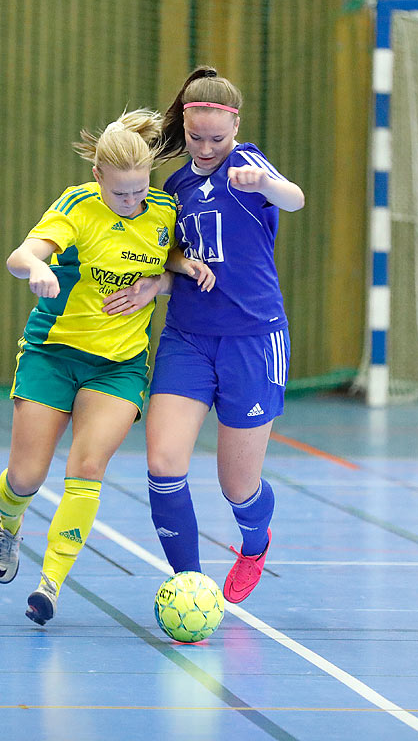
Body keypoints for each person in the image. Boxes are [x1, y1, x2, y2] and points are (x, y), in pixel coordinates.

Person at [0, 110, 214, 626]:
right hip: (54, 354)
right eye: (121, 194)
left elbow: (177, 265)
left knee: (87, 468)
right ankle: (9, 522)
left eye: (140, 191)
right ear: (99, 177)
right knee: (25, 478)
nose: (133, 203)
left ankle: (51, 584)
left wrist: (166, 278)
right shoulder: (78, 206)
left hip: (118, 367)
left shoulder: (162, 211)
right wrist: (38, 268)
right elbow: (20, 255)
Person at [113, 66, 305, 604]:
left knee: (237, 486)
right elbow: (174, 259)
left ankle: (254, 542)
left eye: (215, 139)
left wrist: (265, 183)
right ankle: (190, 583)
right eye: (195, 137)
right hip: (188, 338)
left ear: (235, 128)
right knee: (163, 462)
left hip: (252, 340)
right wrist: (159, 282)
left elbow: (295, 199)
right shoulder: (175, 187)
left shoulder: (248, 164)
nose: (203, 148)